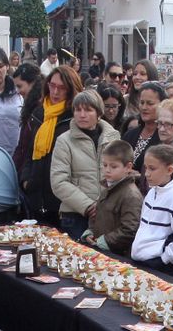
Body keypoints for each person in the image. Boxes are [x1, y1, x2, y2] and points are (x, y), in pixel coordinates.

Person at [50, 90, 121, 238]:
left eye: (88, 110)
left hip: (108, 214)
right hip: (75, 215)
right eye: (78, 110)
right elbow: (58, 182)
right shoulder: (64, 140)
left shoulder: (114, 137)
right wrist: (88, 206)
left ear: (99, 113)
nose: (82, 115)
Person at [16, 65, 82, 225]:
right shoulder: (39, 113)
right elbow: (28, 150)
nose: (55, 92)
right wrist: (26, 180)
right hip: (36, 197)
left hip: (62, 201)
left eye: (61, 88)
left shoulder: (76, 117)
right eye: (52, 86)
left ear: (71, 89)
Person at [130, 144, 173, 277]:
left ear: (169, 170)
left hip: (159, 268)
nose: (147, 174)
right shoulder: (151, 192)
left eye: (152, 169)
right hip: (140, 261)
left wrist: (164, 258)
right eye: (146, 168)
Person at [83, 139, 143, 254]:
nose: (107, 170)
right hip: (99, 249)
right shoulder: (108, 187)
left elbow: (130, 229)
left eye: (113, 166)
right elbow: (97, 215)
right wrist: (90, 231)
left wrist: (105, 240)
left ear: (128, 167)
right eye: (105, 165)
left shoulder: (131, 195)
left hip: (117, 254)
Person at [122, 82, 166, 172]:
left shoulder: (165, 137)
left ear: (162, 105)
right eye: (142, 103)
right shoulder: (129, 135)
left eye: (150, 103)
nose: (144, 107)